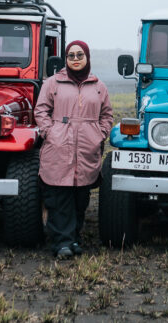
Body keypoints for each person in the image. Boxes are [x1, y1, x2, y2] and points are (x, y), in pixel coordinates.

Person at [35, 40, 113, 258]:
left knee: (81, 197)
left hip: (87, 148)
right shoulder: (53, 83)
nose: (76, 59)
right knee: (59, 196)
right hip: (59, 146)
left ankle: (74, 238)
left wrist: (99, 134)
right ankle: (62, 243)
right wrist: (50, 132)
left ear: (87, 57)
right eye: (71, 55)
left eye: (80, 55)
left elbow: (107, 115)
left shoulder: (99, 86)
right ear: (66, 59)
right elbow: (41, 110)